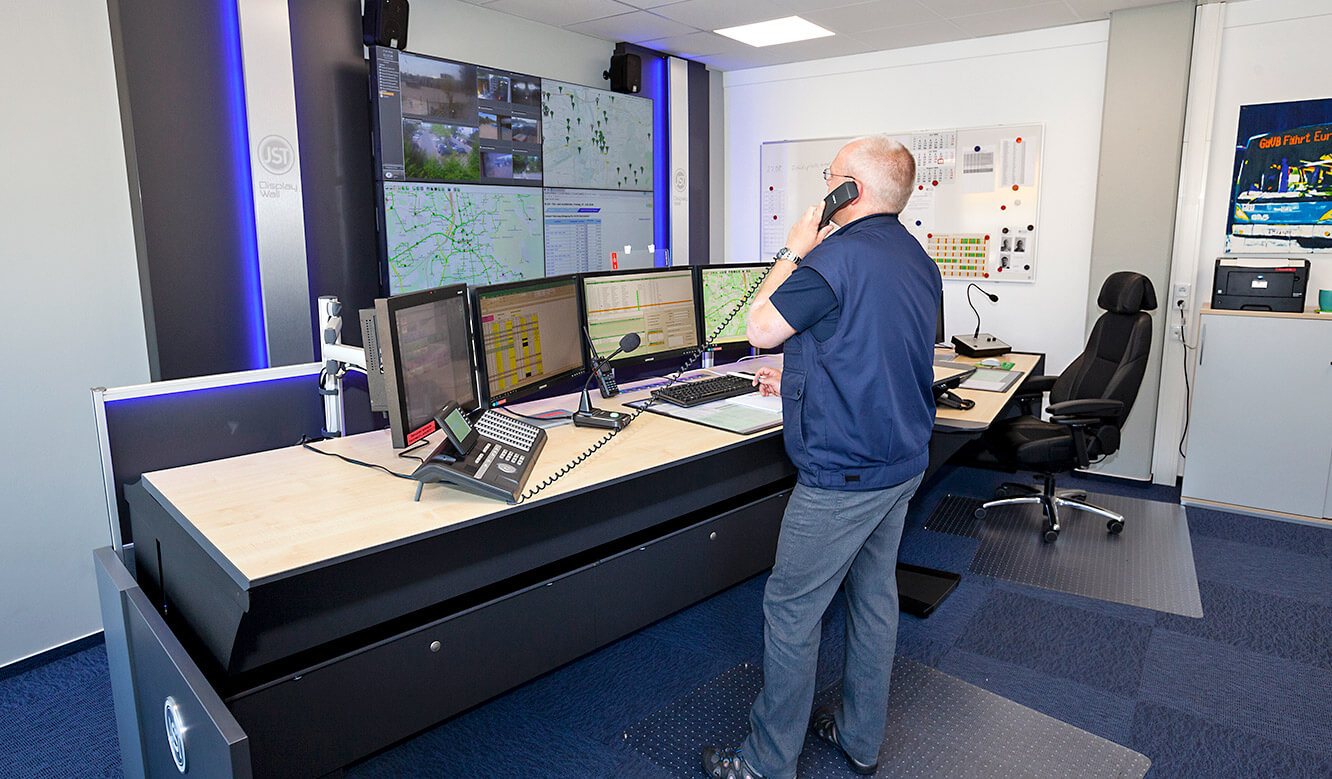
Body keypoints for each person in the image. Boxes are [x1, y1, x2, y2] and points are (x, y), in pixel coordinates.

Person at [703, 135, 942, 779]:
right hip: (903, 461)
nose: (822, 186)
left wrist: (794, 248)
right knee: (872, 598)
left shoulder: (830, 259)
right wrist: (806, 374)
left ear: (849, 191)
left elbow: (758, 328)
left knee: (791, 610)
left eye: (830, 176)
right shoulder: (918, 258)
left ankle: (765, 763)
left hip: (844, 474)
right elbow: (879, 345)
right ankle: (861, 738)